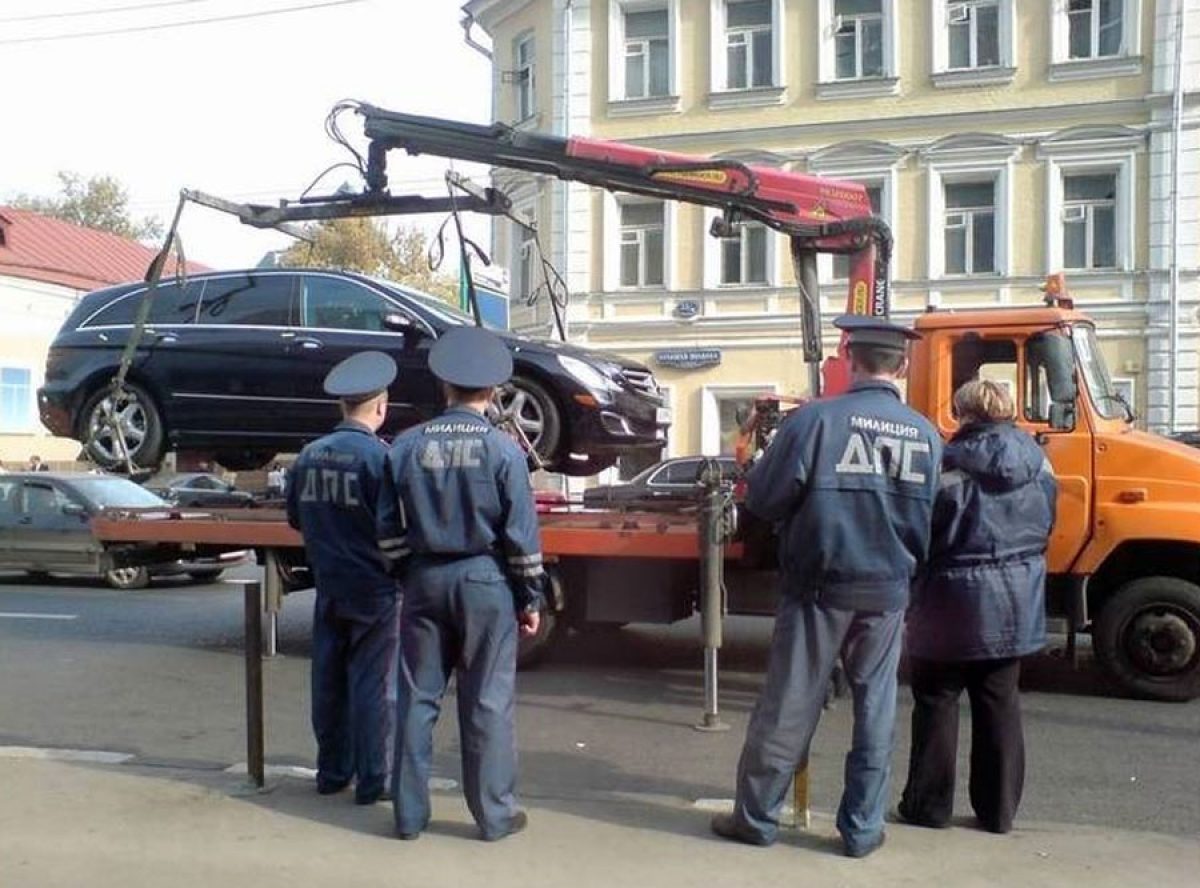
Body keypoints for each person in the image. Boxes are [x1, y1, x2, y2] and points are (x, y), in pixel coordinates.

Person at [711, 315, 942, 859]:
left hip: (818, 587)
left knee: (790, 704)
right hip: (887, 591)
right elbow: (932, 519)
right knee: (876, 708)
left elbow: (764, 499)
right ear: (901, 366)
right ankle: (862, 830)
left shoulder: (816, 422)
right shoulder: (927, 434)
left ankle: (757, 818)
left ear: (850, 360)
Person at [380, 326, 546, 842]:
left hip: (425, 581)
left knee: (417, 699)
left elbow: (388, 530)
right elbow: (520, 535)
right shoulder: (504, 451)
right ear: (493, 393)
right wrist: (530, 597)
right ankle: (494, 817)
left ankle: (407, 816)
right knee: (487, 703)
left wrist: (411, 572)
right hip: (484, 581)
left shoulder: (404, 446)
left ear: (444, 387)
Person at [898, 379, 1056, 834]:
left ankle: (928, 808)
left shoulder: (944, 463)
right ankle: (998, 813)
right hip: (1014, 600)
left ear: (962, 414)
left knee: (936, 703)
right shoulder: (1039, 463)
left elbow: (923, 532)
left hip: (948, 601)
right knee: (1000, 705)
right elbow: (1046, 523)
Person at [285, 351, 401, 806]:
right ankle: (376, 780)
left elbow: (296, 518)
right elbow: (394, 528)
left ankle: (332, 772)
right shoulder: (381, 459)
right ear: (380, 408)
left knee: (329, 682)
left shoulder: (308, 457)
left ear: (342, 406)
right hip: (375, 589)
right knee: (374, 687)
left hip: (328, 584)